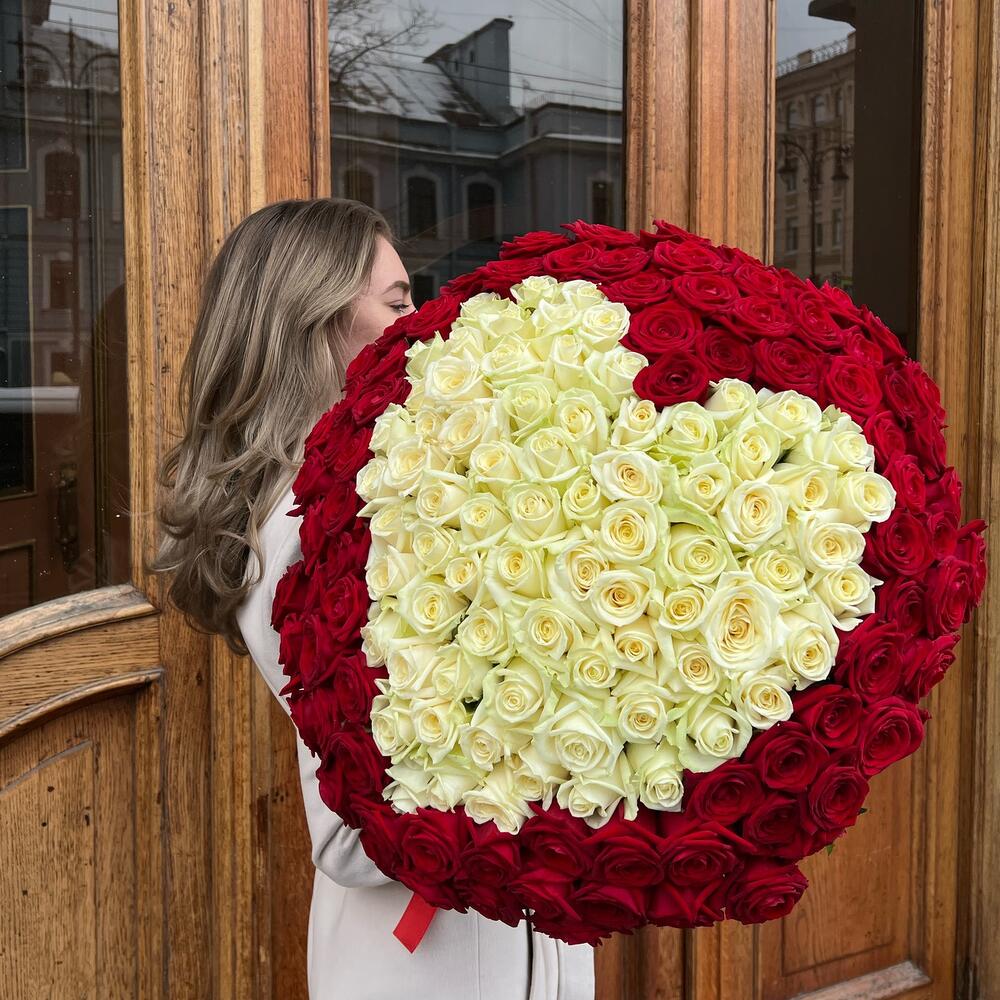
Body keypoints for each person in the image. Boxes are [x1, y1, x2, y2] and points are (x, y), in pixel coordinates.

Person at [148, 197, 596, 1000]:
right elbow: (356, 826)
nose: (420, 323)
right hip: (427, 963)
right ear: (312, 321)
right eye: (396, 302)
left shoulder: (381, 487)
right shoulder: (303, 533)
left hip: (502, 936)